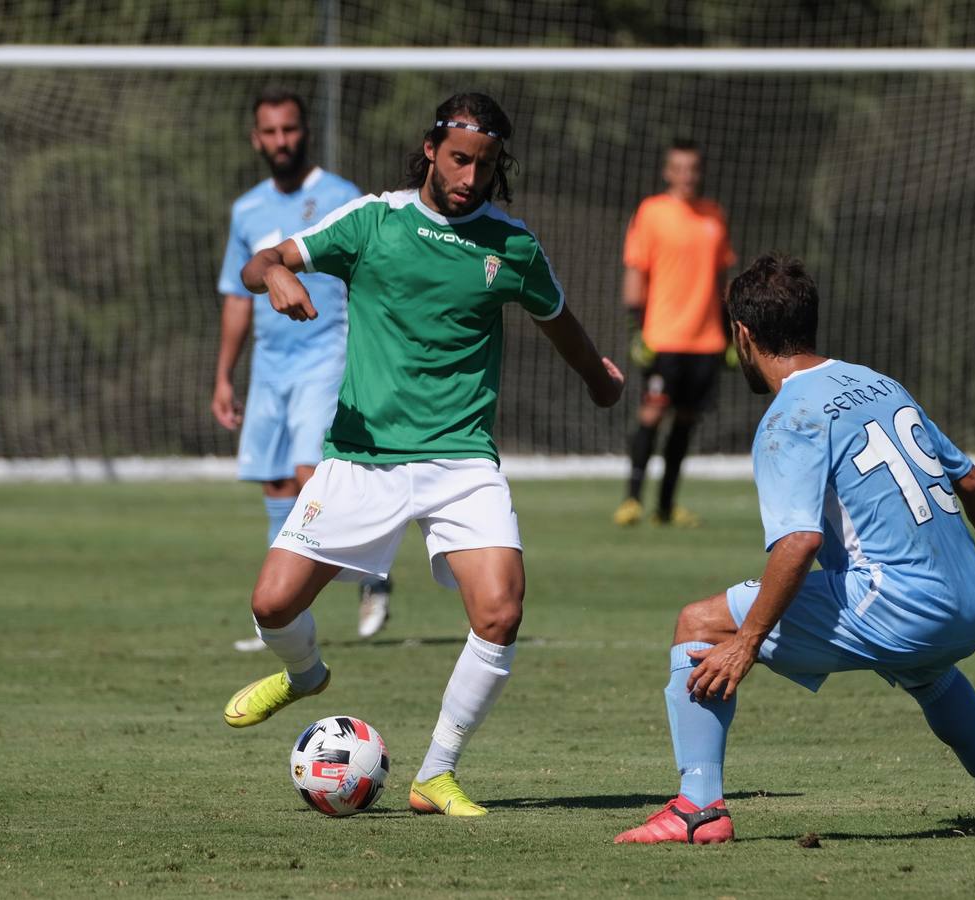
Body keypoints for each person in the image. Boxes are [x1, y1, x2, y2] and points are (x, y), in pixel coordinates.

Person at [221, 93, 625, 819]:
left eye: (486, 164)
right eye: (460, 159)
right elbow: (263, 262)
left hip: (461, 461)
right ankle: (304, 674)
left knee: (500, 611)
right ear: (433, 149)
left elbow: (558, 319)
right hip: (361, 456)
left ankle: (435, 774)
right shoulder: (374, 221)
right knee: (271, 605)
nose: (470, 176)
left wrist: (599, 378)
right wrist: (278, 275)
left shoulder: (512, 245)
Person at [615, 253, 975, 845]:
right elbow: (974, 482)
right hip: (971, 602)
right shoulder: (878, 382)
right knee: (924, 668)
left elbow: (799, 543)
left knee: (700, 624)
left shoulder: (790, 416)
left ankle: (697, 809)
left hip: (896, 602)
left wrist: (747, 642)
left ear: (742, 335)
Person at [214, 87, 391, 652]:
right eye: (270, 132)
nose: (280, 141)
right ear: (255, 138)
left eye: (289, 130)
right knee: (273, 481)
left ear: (304, 131)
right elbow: (237, 297)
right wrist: (224, 374)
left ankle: (371, 575)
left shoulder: (341, 197)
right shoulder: (247, 209)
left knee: (310, 478)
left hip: (326, 355)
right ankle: (279, 622)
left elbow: (371, 276)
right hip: (270, 366)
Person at [613, 139, 736, 528]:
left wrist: (732, 332)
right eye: (678, 168)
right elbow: (636, 272)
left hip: (707, 340)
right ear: (668, 171)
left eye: (693, 168)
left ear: (700, 172)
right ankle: (632, 499)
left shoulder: (713, 215)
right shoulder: (652, 212)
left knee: (686, 421)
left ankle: (665, 507)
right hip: (663, 337)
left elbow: (722, 279)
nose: (686, 175)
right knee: (651, 414)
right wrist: (637, 327)